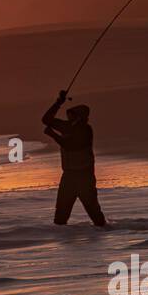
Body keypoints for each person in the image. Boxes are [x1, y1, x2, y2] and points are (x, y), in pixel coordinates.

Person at [41, 89, 107, 227]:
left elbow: (71, 146)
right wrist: (58, 102)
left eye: (72, 115)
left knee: (95, 214)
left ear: (79, 117)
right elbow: (46, 119)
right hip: (69, 175)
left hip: (84, 176)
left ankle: (104, 235)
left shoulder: (86, 130)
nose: (69, 117)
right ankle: (63, 240)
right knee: (60, 216)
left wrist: (53, 134)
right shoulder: (67, 127)